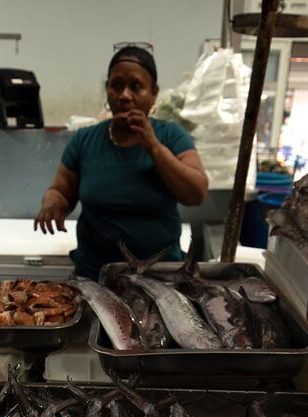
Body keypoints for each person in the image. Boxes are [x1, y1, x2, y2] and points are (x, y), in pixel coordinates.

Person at [34, 46, 208, 280]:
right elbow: (61, 189)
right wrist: (52, 202)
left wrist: (153, 147)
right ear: (107, 89)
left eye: (135, 87)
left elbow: (196, 193)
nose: (124, 95)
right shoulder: (84, 140)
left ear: (153, 93)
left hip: (160, 279)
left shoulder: (170, 136)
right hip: (96, 278)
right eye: (116, 86)